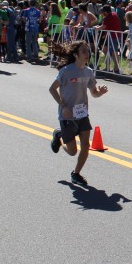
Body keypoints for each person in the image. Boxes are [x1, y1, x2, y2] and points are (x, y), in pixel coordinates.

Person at [49, 40, 108, 185]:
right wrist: (63, 106)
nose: (87, 54)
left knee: (86, 146)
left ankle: (76, 174)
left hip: (82, 114)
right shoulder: (66, 71)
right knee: (72, 151)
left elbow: (94, 93)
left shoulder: (88, 72)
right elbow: (52, 89)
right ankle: (59, 136)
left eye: (88, 51)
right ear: (76, 55)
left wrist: (100, 92)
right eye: (83, 51)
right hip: (67, 115)